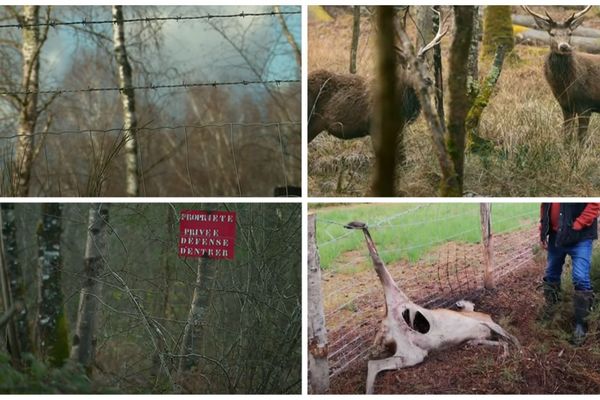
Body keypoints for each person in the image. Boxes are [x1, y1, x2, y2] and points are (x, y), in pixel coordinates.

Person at [539, 202, 599, 345]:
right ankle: (553, 312)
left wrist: (578, 224)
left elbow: (595, 204)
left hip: (580, 236)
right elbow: (545, 205)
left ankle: (581, 325)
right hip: (555, 235)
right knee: (551, 274)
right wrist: (543, 228)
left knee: (580, 277)